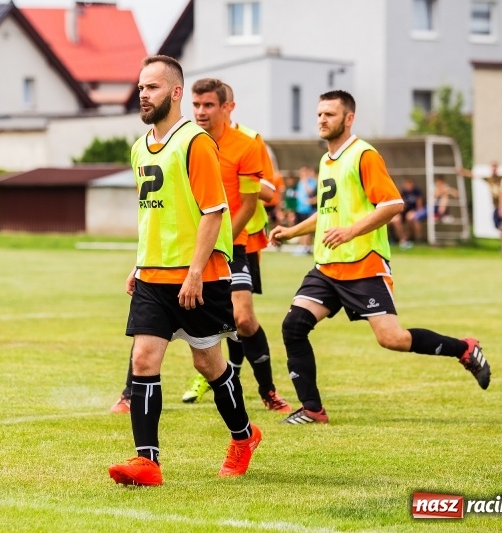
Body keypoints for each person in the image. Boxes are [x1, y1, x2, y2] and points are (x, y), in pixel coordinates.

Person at [268, 90, 491, 425]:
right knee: (294, 326)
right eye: (319, 114)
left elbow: (392, 204)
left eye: (330, 114)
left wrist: (352, 231)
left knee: (392, 339)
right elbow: (327, 214)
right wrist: (291, 231)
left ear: (348, 118)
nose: (322, 120)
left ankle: (465, 348)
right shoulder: (327, 161)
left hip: (364, 264)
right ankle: (313, 409)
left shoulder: (363, 155)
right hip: (328, 266)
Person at [108, 56, 260, 486]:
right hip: (153, 277)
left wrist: (195, 271)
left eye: (152, 87)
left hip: (199, 277)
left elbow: (214, 212)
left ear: (175, 93)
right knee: (143, 358)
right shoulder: (139, 147)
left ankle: (244, 436)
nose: (143, 94)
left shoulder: (195, 143)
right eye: (140, 87)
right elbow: (151, 216)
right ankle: (147, 462)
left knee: (208, 364)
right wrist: (138, 265)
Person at [179, 82, 291, 413]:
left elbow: (262, 194)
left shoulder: (248, 142)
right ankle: (132, 392)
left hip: (236, 243)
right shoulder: (184, 141)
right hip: (192, 245)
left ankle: (268, 392)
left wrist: (224, 239)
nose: (201, 111)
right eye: (196, 104)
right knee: (165, 316)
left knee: (242, 318)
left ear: (228, 107)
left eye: (209, 105)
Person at [459, 161, 502, 229]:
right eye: (493, 167)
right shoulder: (489, 179)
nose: (494, 169)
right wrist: (463, 172)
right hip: (496, 205)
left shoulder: (501, 178)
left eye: (495, 167)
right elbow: (474, 175)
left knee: (501, 224)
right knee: (498, 224)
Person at [389, 177, 426, 249]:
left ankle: (416, 239)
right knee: (397, 219)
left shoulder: (417, 192)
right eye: (407, 184)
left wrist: (415, 211)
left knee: (410, 217)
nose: (408, 186)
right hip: (403, 213)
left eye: (409, 184)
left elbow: (419, 206)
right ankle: (402, 240)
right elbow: (401, 206)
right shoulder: (403, 192)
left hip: (413, 212)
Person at [293, 166, 318, 255]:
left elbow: (310, 192)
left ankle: (306, 246)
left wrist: (305, 182)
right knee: (300, 227)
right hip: (300, 209)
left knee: (306, 229)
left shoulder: (312, 182)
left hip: (308, 209)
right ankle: (302, 245)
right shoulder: (299, 183)